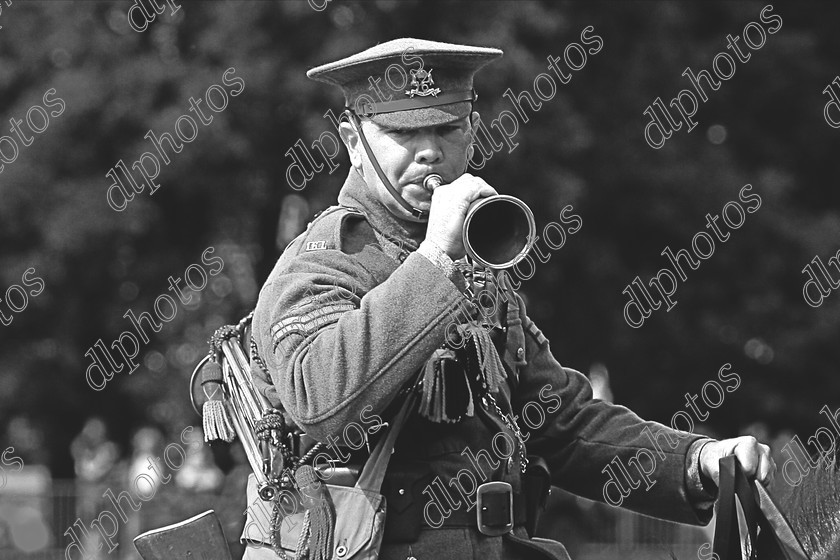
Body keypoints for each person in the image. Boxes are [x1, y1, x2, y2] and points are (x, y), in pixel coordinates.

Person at [243, 38, 775, 560]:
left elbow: (560, 422)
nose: (430, 150)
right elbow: (318, 400)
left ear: (473, 132)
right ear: (353, 142)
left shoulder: (470, 264)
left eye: (447, 128)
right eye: (402, 132)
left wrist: (697, 459)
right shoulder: (322, 261)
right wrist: (436, 263)